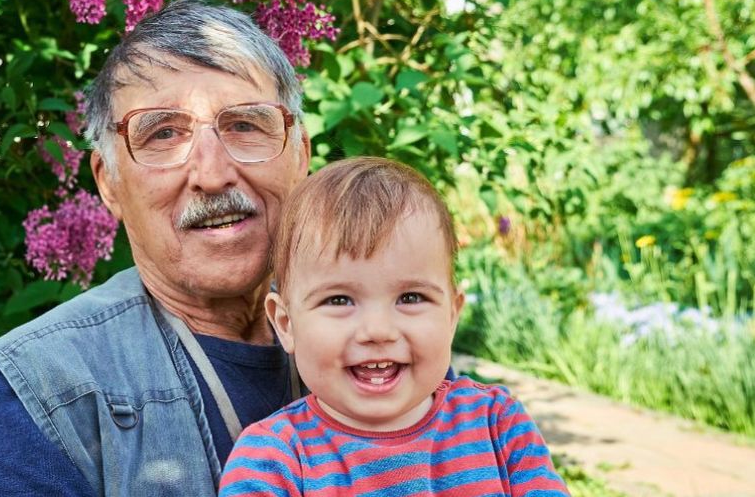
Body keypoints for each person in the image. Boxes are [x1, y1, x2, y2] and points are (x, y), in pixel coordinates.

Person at [0, 0, 313, 496]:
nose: (213, 174)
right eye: (162, 134)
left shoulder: (385, 326)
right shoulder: (35, 392)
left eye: (245, 124)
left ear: (300, 156)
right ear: (108, 183)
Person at [218, 157, 570, 496]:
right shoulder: (273, 462)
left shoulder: (498, 426)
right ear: (286, 323)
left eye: (411, 298)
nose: (378, 330)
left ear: (451, 315)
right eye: (339, 300)